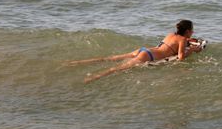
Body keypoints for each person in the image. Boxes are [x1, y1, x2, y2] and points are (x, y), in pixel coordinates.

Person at [64, 20, 203, 83]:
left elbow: (172, 44)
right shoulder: (183, 41)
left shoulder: (171, 34)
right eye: (192, 30)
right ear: (187, 31)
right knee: (117, 69)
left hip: (144, 50)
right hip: (147, 56)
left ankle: (75, 63)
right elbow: (180, 58)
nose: (193, 32)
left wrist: (189, 41)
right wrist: (193, 49)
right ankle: (92, 78)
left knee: (110, 58)